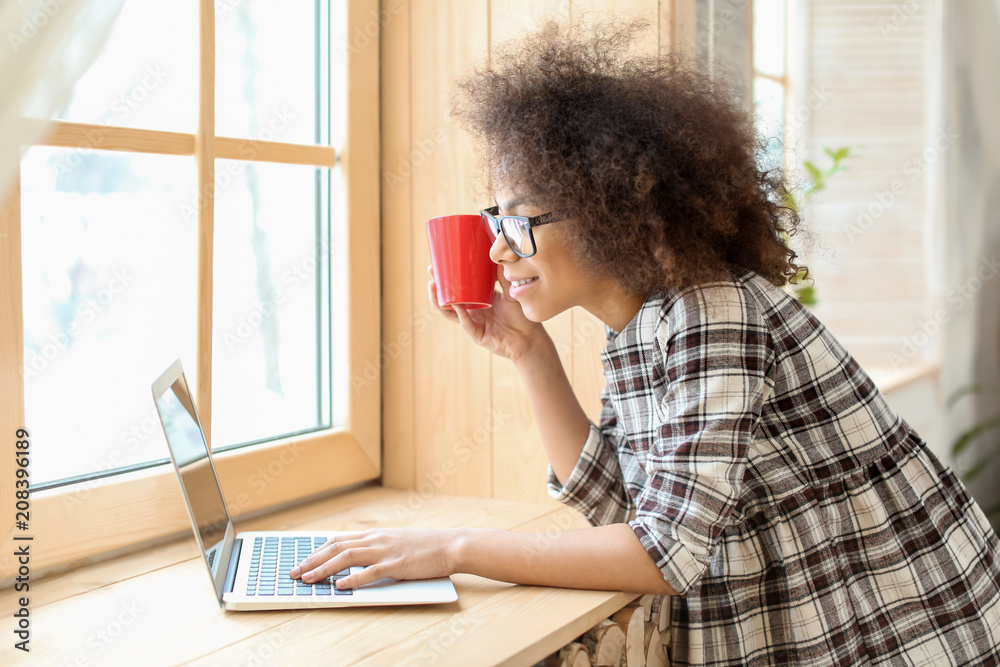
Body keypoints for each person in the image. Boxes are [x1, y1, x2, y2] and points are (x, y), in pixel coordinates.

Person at [292, 22, 1000, 664]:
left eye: (519, 222)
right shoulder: (640, 327)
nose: (500, 251)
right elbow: (627, 506)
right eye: (495, 223)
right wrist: (528, 352)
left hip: (905, 634)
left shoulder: (710, 313)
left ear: (614, 207)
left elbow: (666, 550)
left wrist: (453, 547)